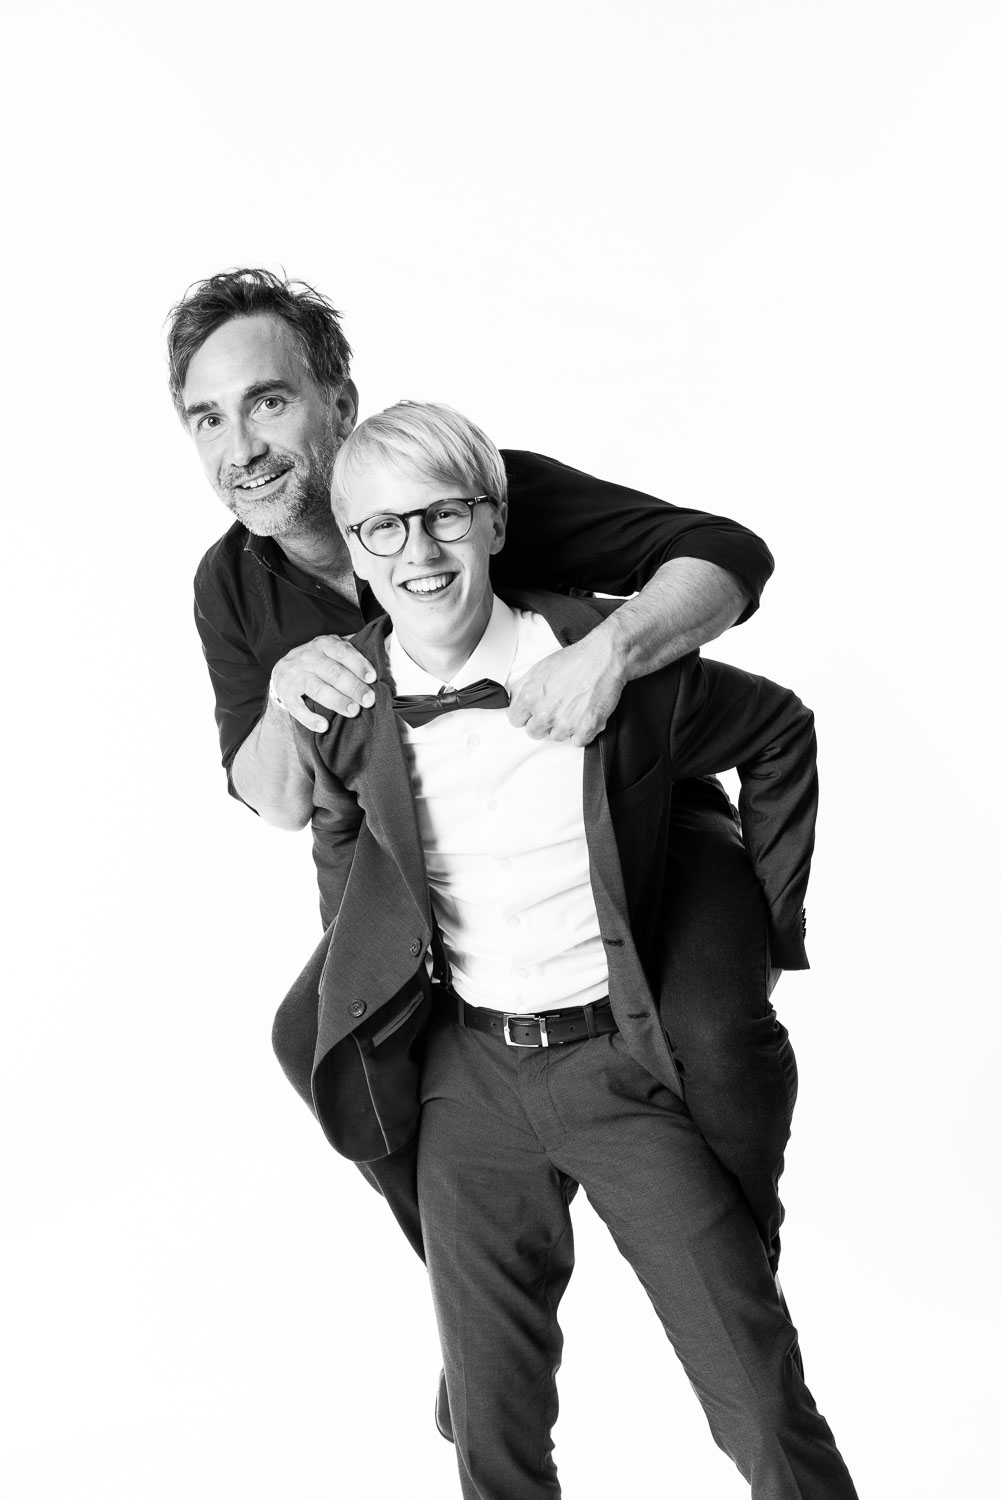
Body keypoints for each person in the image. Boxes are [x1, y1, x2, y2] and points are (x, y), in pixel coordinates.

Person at [272, 401, 856, 1498]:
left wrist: (766, 934)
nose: (418, 551)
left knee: (761, 1406)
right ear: (352, 548)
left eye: (445, 516)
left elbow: (778, 731)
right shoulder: (343, 700)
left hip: (618, 1070)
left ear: (495, 522)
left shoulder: (603, 659)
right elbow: (341, 848)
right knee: (491, 1444)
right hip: (467, 1089)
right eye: (383, 528)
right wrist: (371, 978)